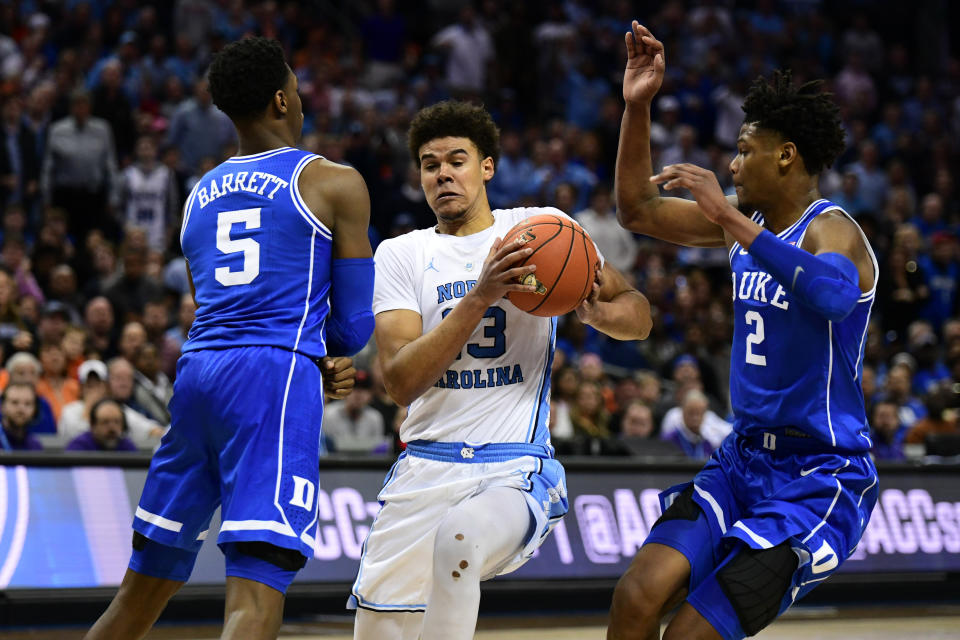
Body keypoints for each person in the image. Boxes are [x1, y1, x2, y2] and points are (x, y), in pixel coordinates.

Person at [85, 37, 373, 640]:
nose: (300, 98)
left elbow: (216, 302)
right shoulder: (334, 183)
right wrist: (326, 358)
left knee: (141, 589)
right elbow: (351, 326)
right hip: (271, 379)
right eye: (295, 89)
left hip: (196, 377)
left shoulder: (197, 197)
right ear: (279, 99)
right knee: (253, 589)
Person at [607, 23, 880, 640]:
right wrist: (637, 106)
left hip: (821, 475)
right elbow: (636, 210)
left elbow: (833, 295)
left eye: (743, 150)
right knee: (636, 596)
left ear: (785, 154)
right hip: (741, 460)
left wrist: (726, 214)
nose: (730, 164)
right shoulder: (745, 225)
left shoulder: (831, 230)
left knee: (690, 635)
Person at [351, 100, 651, 640]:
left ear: (487, 166)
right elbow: (399, 382)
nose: (442, 173)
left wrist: (597, 312)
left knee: (460, 541)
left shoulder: (542, 231)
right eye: (429, 164)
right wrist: (481, 295)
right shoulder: (401, 255)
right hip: (423, 469)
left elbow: (640, 315)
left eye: (456, 160)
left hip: (513, 470)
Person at [65, 397, 137, 452]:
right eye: (105, 422)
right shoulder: (79, 446)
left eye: (117, 422)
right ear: (93, 425)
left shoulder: (127, 446)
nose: (112, 427)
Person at [0, 381, 42, 450]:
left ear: (35, 409)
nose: (21, 409)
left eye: (27, 403)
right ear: (2, 406)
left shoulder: (35, 445)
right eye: (14, 402)